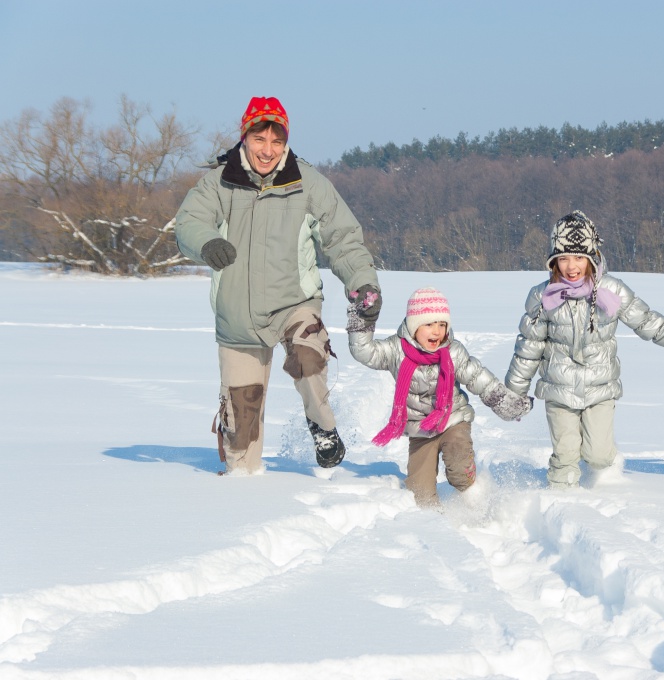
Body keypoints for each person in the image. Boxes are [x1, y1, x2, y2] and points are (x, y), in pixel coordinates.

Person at [175, 96, 382, 475]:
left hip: (294, 303)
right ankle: (244, 488)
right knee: (241, 428)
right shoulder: (220, 182)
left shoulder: (308, 183)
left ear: (286, 142)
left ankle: (323, 428)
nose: (267, 151)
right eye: (259, 139)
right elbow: (188, 222)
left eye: (276, 141)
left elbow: (342, 239)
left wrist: (363, 282)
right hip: (237, 314)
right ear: (244, 138)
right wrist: (207, 243)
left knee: (308, 354)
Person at [505, 211, 664, 488]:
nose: (571, 266)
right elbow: (528, 348)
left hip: (600, 388)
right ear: (553, 261)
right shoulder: (544, 296)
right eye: (563, 258)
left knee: (598, 456)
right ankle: (560, 506)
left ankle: (603, 479)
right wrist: (513, 394)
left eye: (578, 258)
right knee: (565, 457)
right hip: (558, 389)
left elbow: (649, 323)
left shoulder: (611, 291)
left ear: (591, 257)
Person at [347, 287, 532, 507]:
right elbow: (363, 352)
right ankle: (434, 527)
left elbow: (478, 378)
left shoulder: (453, 351)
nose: (437, 331)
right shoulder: (396, 350)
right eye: (429, 324)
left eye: (442, 324)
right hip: (419, 428)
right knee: (420, 494)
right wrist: (361, 317)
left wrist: (505, 403)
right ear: (414, 325)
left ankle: (474, 491)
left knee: (458, 467)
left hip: (452, 419)